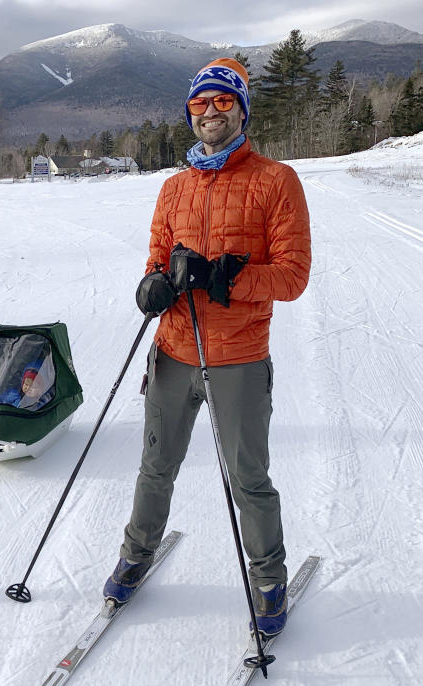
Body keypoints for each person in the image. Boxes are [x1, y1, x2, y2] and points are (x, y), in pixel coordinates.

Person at [103, 58, 311, 641]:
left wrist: (228, 279)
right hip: (172, 353)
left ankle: (269, 579)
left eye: (223, 102)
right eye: (200, 104)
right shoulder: (174, 188)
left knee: (249, 478)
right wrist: (153, 287)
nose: (210, 113)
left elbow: (293, 276)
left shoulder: (276, 180)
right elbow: (153, 261)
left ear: (242, 108)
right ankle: (136, 554)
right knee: (156, 467)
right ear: (189, 113)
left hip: (239, 358)